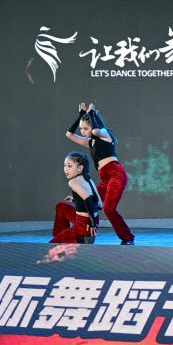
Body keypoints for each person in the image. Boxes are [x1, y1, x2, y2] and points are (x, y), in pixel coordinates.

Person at [64, 103, 135, 244]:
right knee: (91, 203)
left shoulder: (105, 135)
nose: (82, 132)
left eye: (85, 128)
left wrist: (91, 114)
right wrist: (80, 116)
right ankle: (83, 233)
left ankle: (128, 238)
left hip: (116, 174)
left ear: (93, 124)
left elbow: (96, 131)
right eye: (81, 129)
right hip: (104, 179)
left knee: (109, 209)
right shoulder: (90, 142)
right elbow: (69, 134)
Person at [51, 151, 102, 244]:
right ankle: (61, 235)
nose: (66, 169)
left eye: (69, 166)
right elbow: (99, 205)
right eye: (64, 165)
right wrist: (76, 200)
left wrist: (92, 224)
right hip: (90, 224)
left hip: (83, 228)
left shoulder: (73, 182)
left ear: (80, 168)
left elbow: (89, 200)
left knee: (51, 245)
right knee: (61, 206)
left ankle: (66, 239)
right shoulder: (88, 179)